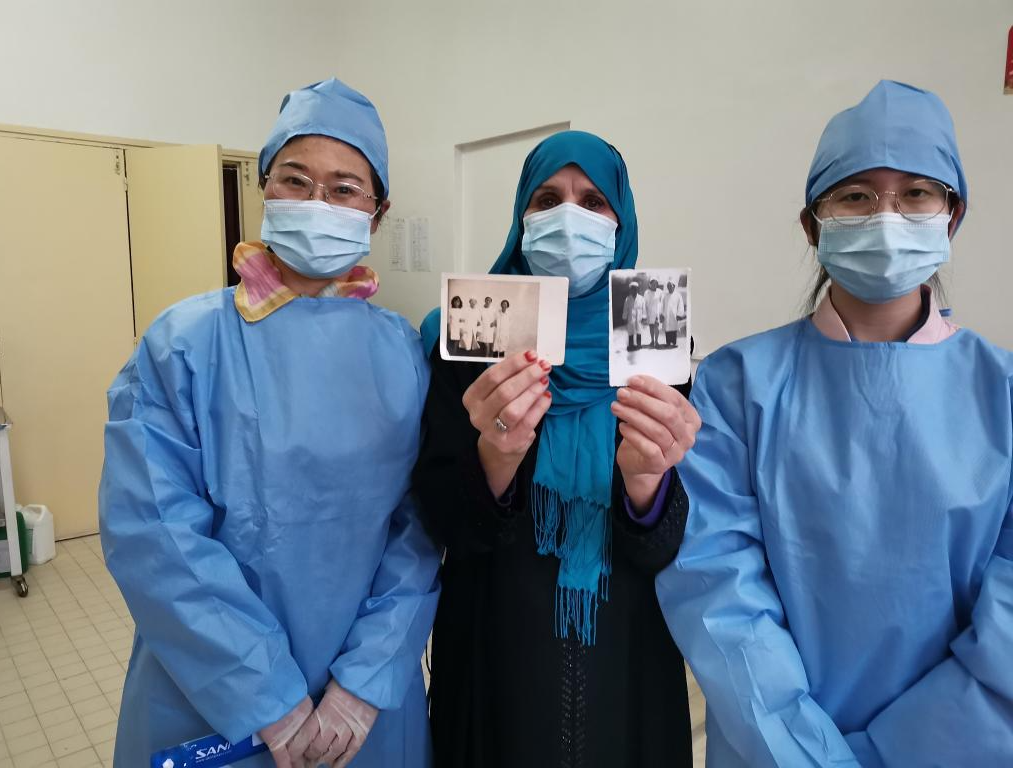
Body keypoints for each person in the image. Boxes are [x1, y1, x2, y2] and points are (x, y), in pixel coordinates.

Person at [658, 80, 1013, 767]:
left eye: (916, 193)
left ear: (952, 216)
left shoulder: (1001, 393)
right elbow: (717, 591)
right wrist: (806, 753)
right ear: (812, 224)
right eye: (855, 196)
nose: (887, 216)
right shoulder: (737, 384)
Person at [98, 77, 440, 768]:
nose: (317, 203)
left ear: (377, 214)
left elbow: (419, 529)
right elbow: (155, 533)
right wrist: (264, 696)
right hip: (211, 697)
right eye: (296, 180)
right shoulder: (184, 344)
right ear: (265, 188)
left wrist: (365, 679)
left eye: (345, 189)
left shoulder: (404, 353)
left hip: (364, 707)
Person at [414, 131, 700, 768]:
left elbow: (669, 547)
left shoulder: (659, 345)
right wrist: (496, 458)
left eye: (593, 202)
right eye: (546, 200)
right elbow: (441, 520)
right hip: (495, 648)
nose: (569, 218)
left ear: (622, 223)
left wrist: (646, 484)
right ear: (521, 218)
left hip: (627, 652)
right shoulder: (462, 341)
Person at [661, 280, 684, 348]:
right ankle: (668, 342)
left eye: (670, 286)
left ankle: (674, 343)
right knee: (667, 329)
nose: (669, 287)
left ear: (674, 286)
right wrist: (662, 314)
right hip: (666, 315)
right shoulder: (665, 295)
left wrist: (679, 314)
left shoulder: (678, 295)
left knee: (674, 329)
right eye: (668, 286)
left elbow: (680, 305)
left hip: (674, 315)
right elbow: (662, 305)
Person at [643, 278, 663, 348]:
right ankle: (652, 341)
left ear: (657, 284)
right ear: (650, 284)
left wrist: (661, 312)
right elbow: (644, 303)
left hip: (657, 312)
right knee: (651, 327)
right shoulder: (646, 292)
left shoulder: (660, 292)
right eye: (653, 284)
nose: (654, 285)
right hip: (649, 312)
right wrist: (644, 315)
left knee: (656, 326)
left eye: (655, 284)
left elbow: (662, 302)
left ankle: (656, 342)